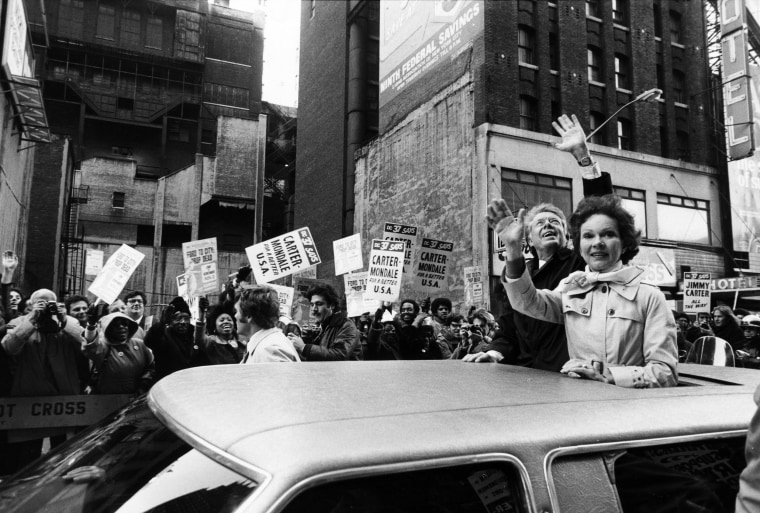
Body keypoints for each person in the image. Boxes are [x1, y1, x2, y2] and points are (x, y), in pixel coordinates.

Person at [464, 114, 613, 369]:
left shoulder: (580, 264)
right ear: (529, 238)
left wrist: (583, 158)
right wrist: (494, 353)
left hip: (568, 375)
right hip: (526, 379)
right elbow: (508, 331)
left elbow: (601, 214)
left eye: (556, 222)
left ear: (568, 235)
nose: (548, 225)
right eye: (540, 223)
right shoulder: (515, 276)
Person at [495, 194, 678, 387]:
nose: (597, 242)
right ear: (579, 247)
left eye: (608, 234)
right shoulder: (570, 290)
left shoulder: (650, 297)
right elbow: (527, 302)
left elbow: (665, 372)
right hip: (576, 405)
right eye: (588, 236)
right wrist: (513, 249)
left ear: (624, 243)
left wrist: (609, 377)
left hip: (627, 409)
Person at [1, 288, 86, 472]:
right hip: (30, 399)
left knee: (62, 454)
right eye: (41, 302)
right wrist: (32, 318)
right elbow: (8, 347)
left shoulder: (67, 323)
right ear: (30, 305)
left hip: (63, 399)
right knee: (28, 456)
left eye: (50, 302)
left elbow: (87, 346)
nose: (46, 305)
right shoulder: (19, 322)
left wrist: (64, 320)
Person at [82, 308, 155, 395]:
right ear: (107, 329)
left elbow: (151, 367)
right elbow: (91, 346)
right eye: (115, 325)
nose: (121, 327)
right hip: (109, 399)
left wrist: (144, 382)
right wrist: (91, 326)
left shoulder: (139, 344)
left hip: (136, 398)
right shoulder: (103, 347)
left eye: (124, 324)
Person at [287, 283, 362, 361]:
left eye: (319, 304)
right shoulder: (324, 325)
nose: (314, 309)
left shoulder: (347, 326)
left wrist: (304, 347)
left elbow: (340, 355)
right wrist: (308, 339)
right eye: (312, 304)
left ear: (332, 305)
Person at [144, 296, 202, 381]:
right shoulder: (164, 335)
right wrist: (161, 323)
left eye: (186, 318)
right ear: (170, 320)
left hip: (191, 385)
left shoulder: (194, 336)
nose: (183, 322)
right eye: (178, 318)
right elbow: (150, 341)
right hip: (167, 384)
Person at [237, 285, 299, 363]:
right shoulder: (267, 345)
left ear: (249, 316)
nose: (235, 316)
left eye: (237, 311)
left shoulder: (269, 351)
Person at [365, 301, 444, 360]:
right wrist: (376, 321)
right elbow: (373, 340)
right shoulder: (387, 343)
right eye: (403, 310)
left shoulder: (425, 331)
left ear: (416, 313)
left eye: (409, 309)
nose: (406, 312)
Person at [194, 298, 246, 364]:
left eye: (229, 320)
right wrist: (202, 314)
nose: (226, 322)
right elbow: (199, 339)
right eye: (221, 320)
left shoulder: (242, 340)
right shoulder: (211, 342)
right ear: (214, 326)